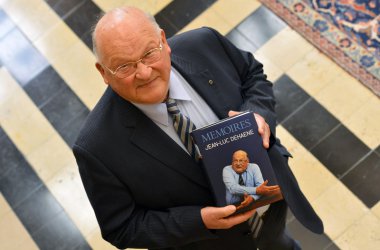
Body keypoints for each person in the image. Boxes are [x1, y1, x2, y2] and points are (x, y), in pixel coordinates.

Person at [73, 6, 323, 250]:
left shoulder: (205, 43)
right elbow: (122, 227)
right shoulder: (96, 148)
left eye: (149, 53)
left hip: (271, 207)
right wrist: (198, 221)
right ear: (103, 72)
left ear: (163, 40)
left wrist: (257, 115)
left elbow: (252, 75)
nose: (144, 72)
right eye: (124, 66)